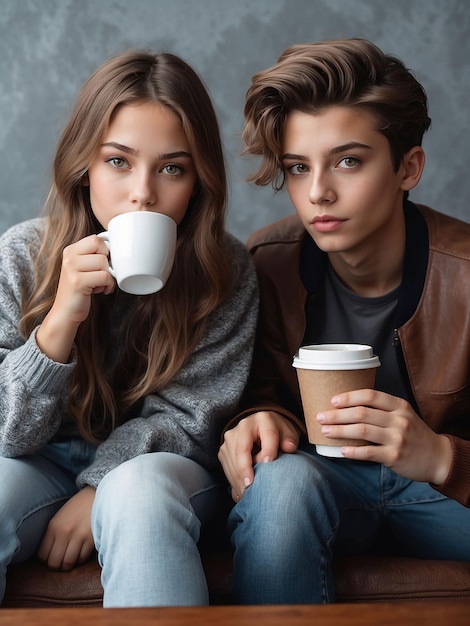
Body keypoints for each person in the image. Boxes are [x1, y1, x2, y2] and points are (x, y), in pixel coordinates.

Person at [0, 49, 258, 607]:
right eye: (118, 161)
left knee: (137, 493)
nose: (143, 192)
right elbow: (7, 436)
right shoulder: (23, 256)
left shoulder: (225, 272)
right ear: (84, 165)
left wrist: (99, 488)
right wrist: (60, 320)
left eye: (171, 168)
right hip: (37, 462)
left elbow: (190, 421)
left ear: (197, 182)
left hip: (159, 469)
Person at [218, 37, 470, 604]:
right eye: (298, 168)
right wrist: (259, 417)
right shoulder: (265, 262)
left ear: (409, 167)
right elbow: (250, 387)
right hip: (321, 488)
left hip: (444, 495)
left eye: (348, 161)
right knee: (280, 485)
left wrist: (442, 456)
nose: (318, 193)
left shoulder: (467, 274)